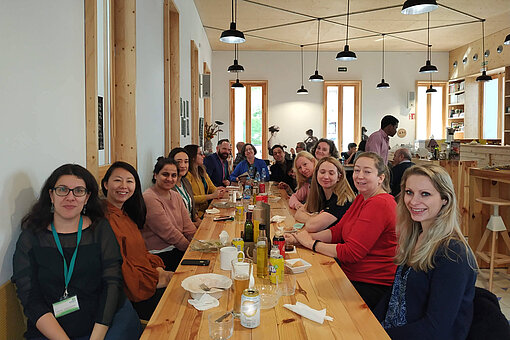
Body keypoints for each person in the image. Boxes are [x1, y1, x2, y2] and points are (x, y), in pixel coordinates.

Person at [12, 164, 140, 340]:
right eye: (62, 189)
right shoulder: (31, 237)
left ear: (87, 197)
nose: (70, 197)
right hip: (52, 328)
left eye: (79, 191)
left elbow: (112, 283)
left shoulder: (100, 229)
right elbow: (29, 297)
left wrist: (96, 337)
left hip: (106, 323)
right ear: (51, 195)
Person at [374, 164, 477, 339]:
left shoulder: (452, 253)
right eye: (409, 192)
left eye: (425, 194)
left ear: (445, 199)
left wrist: (375, 336)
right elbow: (395, 294)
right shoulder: (415, 236)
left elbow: (435, 329)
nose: (413, 201)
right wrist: (369, 324)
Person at [289, 152, 397, 310]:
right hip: (350, 274)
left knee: (306, 295)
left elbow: (352, 252)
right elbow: (337, 232)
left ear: (380, 178)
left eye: (367, 171)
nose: (360, 176)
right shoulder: (362, 198)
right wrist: (299, 238)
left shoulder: (380, 204)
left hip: (370, 284)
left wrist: (311, 243)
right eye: (357, 170)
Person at [102, 161, 173, 321]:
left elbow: (140, 252)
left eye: (129, 181)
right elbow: (120, 266)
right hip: (134, 291)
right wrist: (155, 278)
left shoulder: (125, 214)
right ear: (106, 184)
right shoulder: (104, 219)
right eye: (117, 180)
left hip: (147, 276)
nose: (124, 186)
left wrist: (158, 270)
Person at [142, 157, 197, 272]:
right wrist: (191, 249)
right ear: (155, 175)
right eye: (165, 174)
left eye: (173, 175)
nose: (170, 179)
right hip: (159, 255)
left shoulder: (175, 195)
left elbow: (188, 226)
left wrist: (197, 243)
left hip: (177, 248)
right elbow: (168, 232)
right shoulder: (149, 197)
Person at [293, 157, 355, 231]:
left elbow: (313, 225)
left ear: (339, 177)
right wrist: (315, 218)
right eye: (322, 172)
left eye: (331, 173)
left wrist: (313, 218)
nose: (326, 177)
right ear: (316, 174)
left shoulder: (343, 200)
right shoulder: (319, 193)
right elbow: (298, 214)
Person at [184, 144, 226, 218]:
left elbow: (212, 187)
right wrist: (211, 196)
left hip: (206, 210)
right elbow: (190, 198)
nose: (203, 156)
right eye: (200, 154)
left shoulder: (202, 171)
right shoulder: (187, 175)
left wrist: (219, 191)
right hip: (196, 215)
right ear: (192, 157)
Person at [168, 147, 200, 227]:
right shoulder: (168, 187)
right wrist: (196, 224)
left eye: (186, 162)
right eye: (178, 162)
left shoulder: (185, 182)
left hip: (192, 227)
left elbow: (192, 207)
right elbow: (173, 222)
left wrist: (198, 220)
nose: (183, 165)